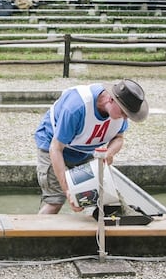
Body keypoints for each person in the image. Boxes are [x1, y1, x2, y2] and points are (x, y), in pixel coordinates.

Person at [35, 79, 149, 214]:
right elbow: (56, 148)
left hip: (84, 151)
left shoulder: (119, 115)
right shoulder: (76, 107)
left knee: (101, 195)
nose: (125, 118)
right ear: (111, 100)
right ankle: (33, 232)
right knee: (55, 200)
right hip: (53, 146)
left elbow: (118, 138)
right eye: (124, 112)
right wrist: (68, 191)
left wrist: (110, 152)